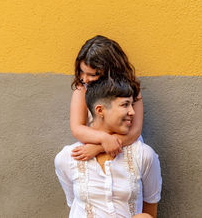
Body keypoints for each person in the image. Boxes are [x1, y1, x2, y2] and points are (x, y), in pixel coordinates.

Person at [55, 77, 162, 217]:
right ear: (100, 110)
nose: (132, 112)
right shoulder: (68, 158)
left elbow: (150, 211)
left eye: (132, 104)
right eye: (125, 105)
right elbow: (73, 203)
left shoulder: (144, 155)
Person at [70, 35, 143, 161]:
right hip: (90, 147)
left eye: (92, 74)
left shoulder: (130, 89)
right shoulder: (82, 88)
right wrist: (103, 139)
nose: (85, 79)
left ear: (109, 70)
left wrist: (98, 148)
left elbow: (135, 131)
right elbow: (77, 128)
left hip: (125, 147)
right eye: (82, 72)